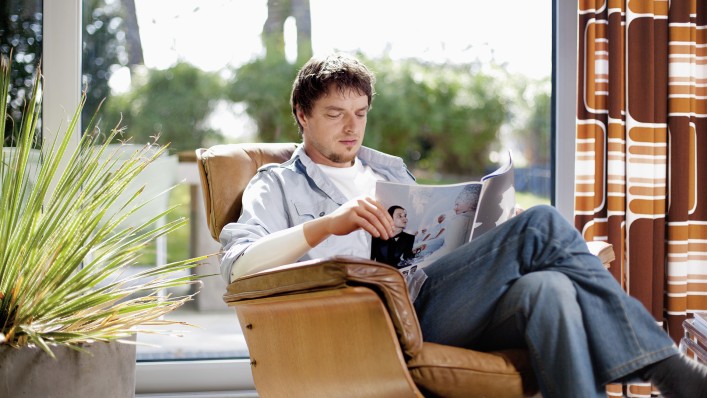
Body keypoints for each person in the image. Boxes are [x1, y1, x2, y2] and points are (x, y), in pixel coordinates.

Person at [219, 53, 707, 398]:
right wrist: (326, 226)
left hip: (432, 302)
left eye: (361, 114)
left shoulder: (389, 172)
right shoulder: (277, 185)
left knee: (550, 288)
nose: (351, 127)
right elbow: (237, 267)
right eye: (334, 114)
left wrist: (489, 231)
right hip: (366, 326)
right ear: (302, 115)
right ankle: (666, 368)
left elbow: (432, 253)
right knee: (541, 224)